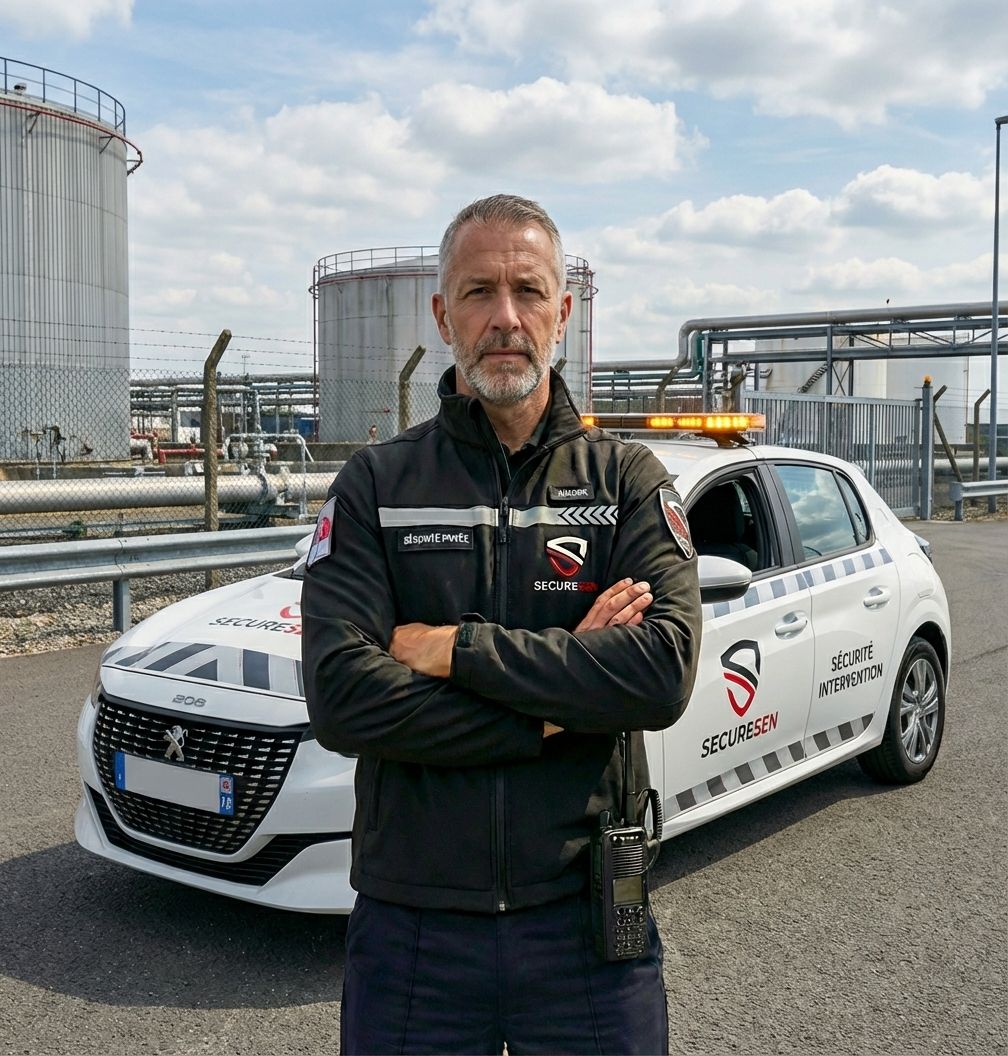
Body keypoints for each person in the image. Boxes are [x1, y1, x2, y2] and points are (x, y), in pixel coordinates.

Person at [302, 194, 701, 1055]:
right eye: (479, 292)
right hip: (414, 929)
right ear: (444, 315)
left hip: (589, 921)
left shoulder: (626, 479)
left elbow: (661, 671)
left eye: (528, 290)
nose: (506, 318)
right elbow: (341, 698)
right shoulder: (376, 486)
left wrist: (455, 650)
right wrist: (559, 706)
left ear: (564, 312)